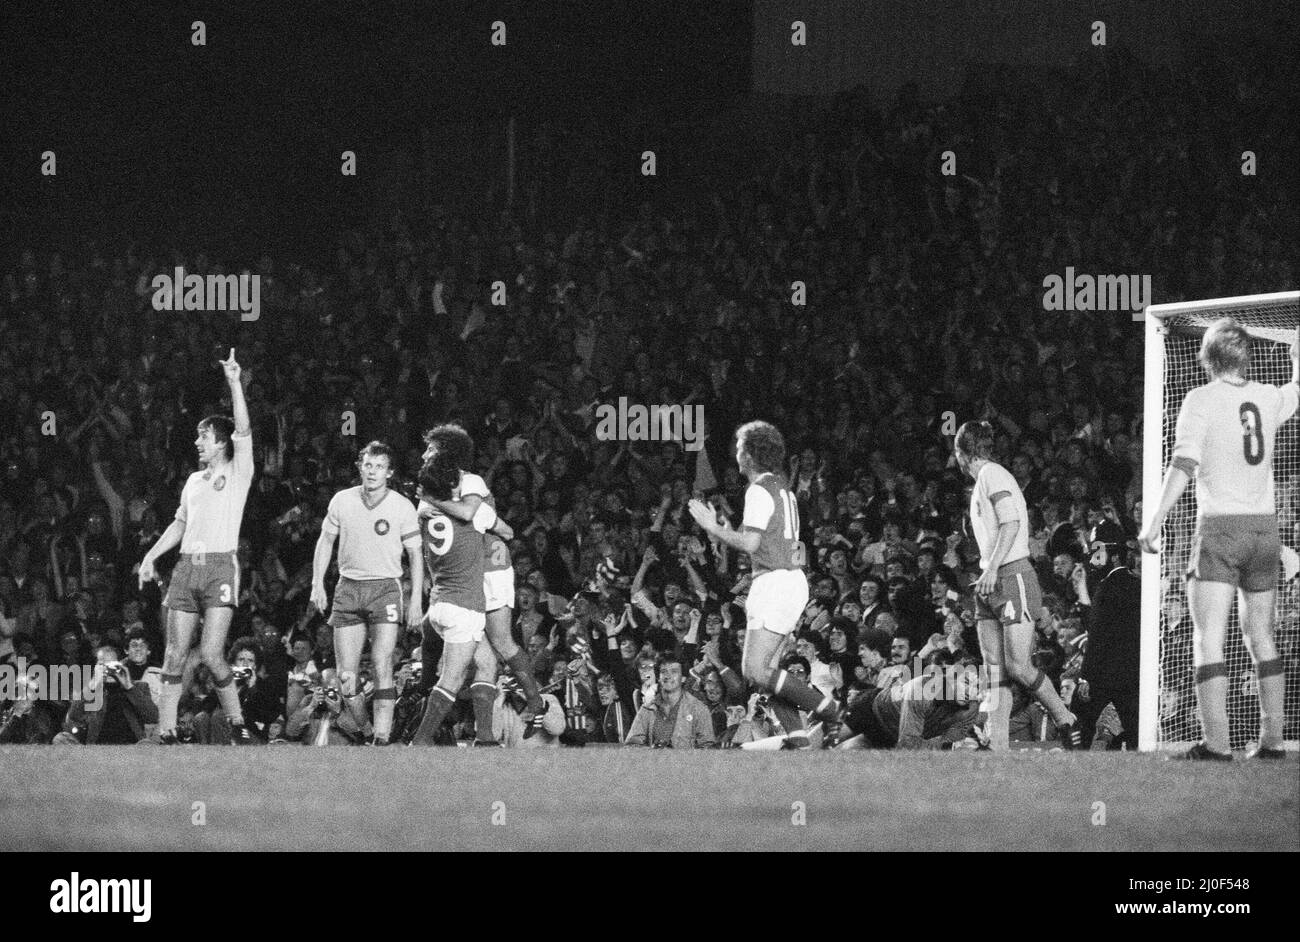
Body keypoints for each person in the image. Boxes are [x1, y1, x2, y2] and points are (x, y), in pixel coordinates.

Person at [1138, 319, 1298, 759]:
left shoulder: (1200, 399)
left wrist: (1155, 522)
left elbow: (1184, 465)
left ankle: (1217, 745)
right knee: (1261, 635)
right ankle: (1273, 742)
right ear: (1246, 357)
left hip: (1221, 530)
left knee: (1209, 636)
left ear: (1206, 357)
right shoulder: (1268, 396)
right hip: (1265, 529)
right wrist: (1297, 354)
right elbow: (1297, 388)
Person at [688, 421, 840, 749]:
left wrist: (711, 526)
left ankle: (829, 711)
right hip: (788, 581)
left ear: (751, 454)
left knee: (754, 670)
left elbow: (751, 544)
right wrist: (728, 527)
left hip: (774, 582)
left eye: (741, 448)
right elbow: (760, 535)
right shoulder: (781, 487)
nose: (736, 454)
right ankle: (799, 741)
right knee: (769, 672)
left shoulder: (758, 489)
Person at [138, 349, 257, 745]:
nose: (197, 441)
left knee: (210, 654)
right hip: (186, 567)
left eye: (203, 436)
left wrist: (235, 383)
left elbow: (242, 429)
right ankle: (168, 730)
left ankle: (237, 721)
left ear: (221, 443)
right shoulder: (193, 481)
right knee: (173, 654)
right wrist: (151, 556)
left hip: (221, 566)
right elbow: (179, 524)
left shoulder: (238, 472)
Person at [955, 420, 1079, 750]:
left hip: (1011, 576)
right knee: (994, 669)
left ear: (961, 453)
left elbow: (1010, 522)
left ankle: (1065, 718)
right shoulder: (985, 478)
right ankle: (997, 745)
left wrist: (993, 567)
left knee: (1019, 666)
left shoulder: (992, 474)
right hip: (989, 581)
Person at [415, 424, 545, 736]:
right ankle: (485, 738)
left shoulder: (469, 481)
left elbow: (474, 515)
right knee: (483, 658)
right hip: (460, 571)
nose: (424, 454)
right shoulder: (430, 490)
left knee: (499, 641)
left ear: (446, 453)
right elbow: (432, 537)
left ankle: (536, 701)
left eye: (430, 449)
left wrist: (436, 501)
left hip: (490, 564)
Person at [310, 441, 423, 745]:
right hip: (348, 587)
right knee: (346, 677)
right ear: (360, 467)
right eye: (368, 465)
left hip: (385, 587)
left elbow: (415, 555)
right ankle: (367, 731)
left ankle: (383, 738)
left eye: (380, 467)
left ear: (390, 472)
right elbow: (325, 541)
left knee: (381, 662)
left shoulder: (401, 506)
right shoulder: (342, 501)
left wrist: (415, 601)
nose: (373, 472)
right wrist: (317, 583)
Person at [408, 448, 496, 745]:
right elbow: (504, 530)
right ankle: (418, 743)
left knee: (487, 663)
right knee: (453, 680)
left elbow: (428, 509)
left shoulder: (425, 517)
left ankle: (485, 739)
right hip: (464, 606)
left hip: (440, 604)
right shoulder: (475, 515)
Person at [1072, 521, 1140, 749]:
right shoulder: (1138, 585)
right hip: (1134, 674)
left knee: (1078, 718)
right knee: (1135, 731)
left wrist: (1086, 676)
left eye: (1098, 551)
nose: (1093, 558)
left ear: (1114, 556)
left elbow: (1096, 634)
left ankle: (1073, 763)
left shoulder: (1107, 586)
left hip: (1106, 674)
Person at [56, 642, 158, 745]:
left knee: (147, 743)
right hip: (97, 748)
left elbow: (153, 717)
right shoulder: (89, 688)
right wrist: (93, 684)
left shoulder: (139, 687)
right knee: (60, 739)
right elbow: (74, 716)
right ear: (95, 667)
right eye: (102, 664)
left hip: (131, 747)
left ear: (120, 665)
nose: (108, 669)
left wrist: (129, 687)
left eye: (111, 665)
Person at [624, 654, 716, 748]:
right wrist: (652, 752)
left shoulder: (698, 709)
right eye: (664, 672)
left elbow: (707, 748)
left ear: (683, 678)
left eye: (674, 672)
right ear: (658, 678)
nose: (668, 676)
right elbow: (631, 745)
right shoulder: (647, 709)